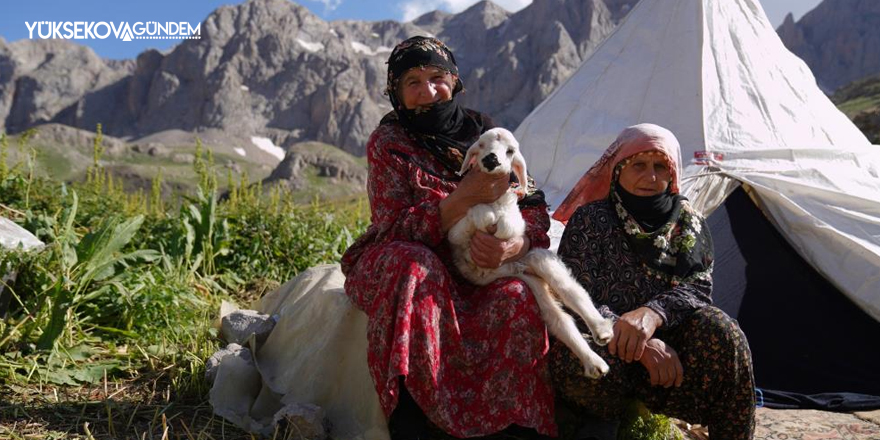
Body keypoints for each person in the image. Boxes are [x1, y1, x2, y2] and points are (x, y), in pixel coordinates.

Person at [341, 36, 557, 439]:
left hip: (477, 268)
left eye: (437, 77)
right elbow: (392, 226)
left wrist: (516, 244)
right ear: (396, 93)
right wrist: (462, 200)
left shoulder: (488, 135)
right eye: (413, 82)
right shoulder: (389, 143)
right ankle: (417, 420)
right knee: (415, 265)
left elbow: (533, 205)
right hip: (408, 262)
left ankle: (509, 427)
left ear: (455, 80)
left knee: (516, 295)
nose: (428, 91)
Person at [549, 124, 756, 440]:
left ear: (672, 173)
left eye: (661, 166)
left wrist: (653, 314)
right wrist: (635, 340)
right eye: (639, 165)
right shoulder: (591, 220)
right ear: (618, 169)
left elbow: (698, 285)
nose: (651, 176)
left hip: (668, 351)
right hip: (607, 340)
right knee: (572, 347)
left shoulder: (687, 220)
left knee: (725, 332)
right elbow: (575, 295)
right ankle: (601, 421)